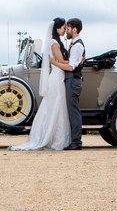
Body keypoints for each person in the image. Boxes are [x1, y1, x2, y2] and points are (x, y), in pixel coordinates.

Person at [9, 18, 72, 151]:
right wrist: (76, 62)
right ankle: (54, 138)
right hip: (57, 77)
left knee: (55, 106)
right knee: (56, 106)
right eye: (63, 28)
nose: (64, 30)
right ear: (57, 28)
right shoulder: (54, 43)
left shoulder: (53, 42)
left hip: (56, 75)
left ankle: (53, 135)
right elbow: (61, 61)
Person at [63, 18, 85, 149]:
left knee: (73, 112)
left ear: (74, 29)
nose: (66, 31)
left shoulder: (77, 46)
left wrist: (55, 63)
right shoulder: (74, 44)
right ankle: (74, 140)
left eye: (68, 28)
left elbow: (71, 67)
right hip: (72, 80)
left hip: (73, 80)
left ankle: (76, 141)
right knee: (72, 111)